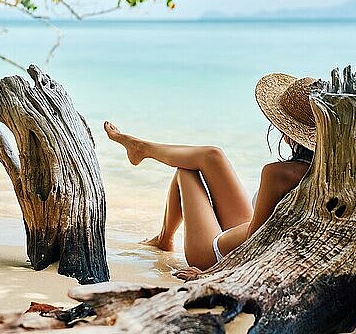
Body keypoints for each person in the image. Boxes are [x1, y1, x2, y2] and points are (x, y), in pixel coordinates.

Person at [104, 73, 318, 280]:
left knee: (186, 170)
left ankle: (164, 238)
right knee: (212, 156)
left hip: (217, 256)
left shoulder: (278, 174)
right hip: (241, 233)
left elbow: (258, 243)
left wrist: (208, 274)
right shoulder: (327, 171)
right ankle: (140, 148)